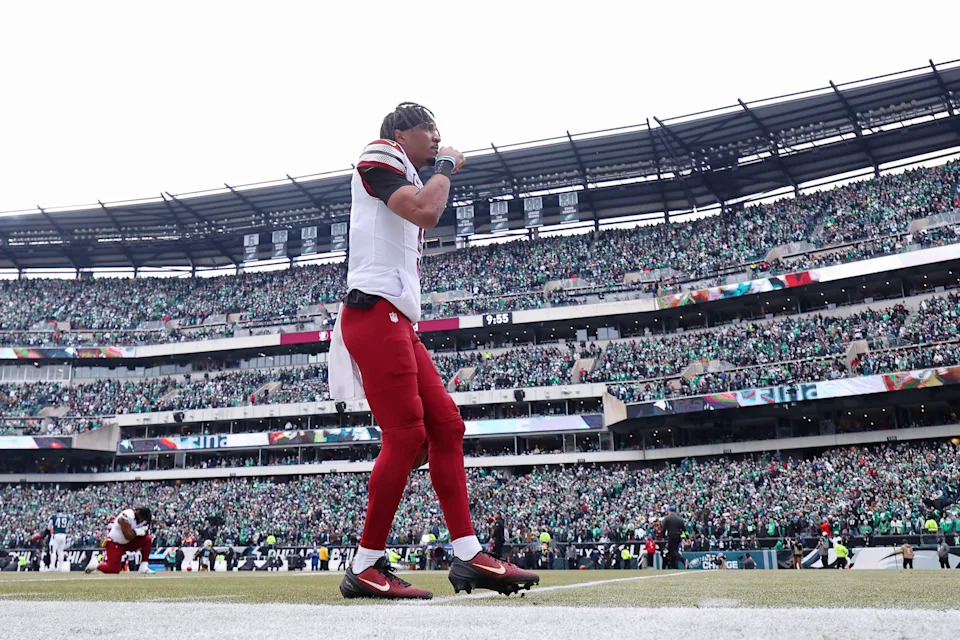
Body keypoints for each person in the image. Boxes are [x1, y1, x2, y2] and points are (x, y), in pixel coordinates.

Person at [331, 103, 538, 600]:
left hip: (397, 318)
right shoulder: (381, 152)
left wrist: (438, 167)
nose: (438, 138)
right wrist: (445, 164)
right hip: (372, 311)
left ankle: (468, 556)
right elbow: (426, 210)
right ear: (401, 132)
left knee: (446, 425)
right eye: (430, 130)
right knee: (405, 436)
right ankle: (365, 564)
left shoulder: (402, 171)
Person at [86, 506, 154, 575]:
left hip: (128, 543)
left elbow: (145, 534)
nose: (143, 521)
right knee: (113, 569)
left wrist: (142, 531)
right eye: (143, 518)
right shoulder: (127, 515)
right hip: (115, 543)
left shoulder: (143, 521)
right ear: (139, 515)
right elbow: (128, 536)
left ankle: (143, 566)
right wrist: (137, 532)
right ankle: (95, 565)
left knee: (147, 539)